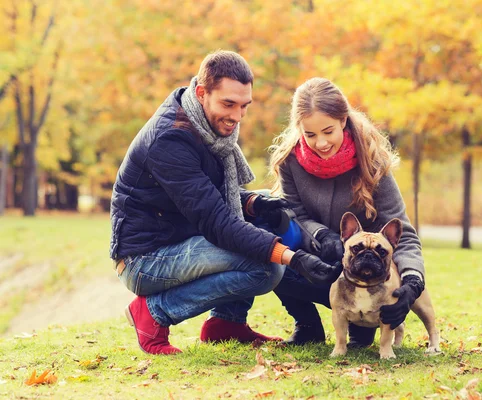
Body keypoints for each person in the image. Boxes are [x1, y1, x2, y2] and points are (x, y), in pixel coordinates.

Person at [109, 51, 341, 355]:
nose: (237, 116)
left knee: (269, 209)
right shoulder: (171, 139)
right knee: (267, 269)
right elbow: (217, 222)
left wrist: (255, 203)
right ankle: (153, 313)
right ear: (202, 93)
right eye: (228, 104)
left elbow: (213, 196)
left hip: (182, 237)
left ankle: (226, 324)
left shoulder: (206, 125)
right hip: (146, 259)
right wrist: (292, 258)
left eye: (244, 105)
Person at [268, 77, 426, 347]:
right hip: (315, 265)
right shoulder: (289, 161)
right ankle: (306, 324)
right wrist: (323, 236)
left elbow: (403, 232)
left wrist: (413, 281)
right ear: (299, 129)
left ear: (343, 121)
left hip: (366, 276)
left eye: (328, 131)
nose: (320, 143)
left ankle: (362, 326)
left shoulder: (373, 162)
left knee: (362, 340)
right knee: (268, 227)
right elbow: (294, 216)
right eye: (310, 134)